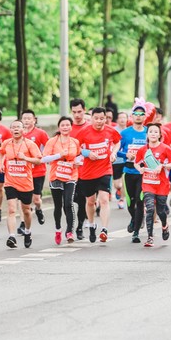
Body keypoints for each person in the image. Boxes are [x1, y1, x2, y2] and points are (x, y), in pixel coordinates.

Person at [74, 107, 121, 243]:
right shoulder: (84, 132)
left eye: (102, 118)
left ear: (106, 118)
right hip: (87, 172)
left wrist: (113, 153)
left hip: (105, 170)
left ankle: (104, 229)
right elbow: (76, 147)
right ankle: (91, 223)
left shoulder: (110, 131)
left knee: (104, 199)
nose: (99, 121)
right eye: (96, 118)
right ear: (92, 118)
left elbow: (118, 142)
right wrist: (87, 153)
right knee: (90, 201)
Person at [131, 123, 171, 247]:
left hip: (162, 184)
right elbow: (136, 163)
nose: (153, 134)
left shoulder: (165, 148)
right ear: (147, 134)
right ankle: (150, 237)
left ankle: (164, 225)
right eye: (151, 131)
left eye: (156, 132)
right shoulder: (143, 150)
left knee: (161, 211)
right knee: (150, 209)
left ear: (160, 135)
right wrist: (139, 169)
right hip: (147, 183)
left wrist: (162, 166)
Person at [0, 120, 43, 248]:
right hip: (10, 181)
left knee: (26, 211)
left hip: (25, 183)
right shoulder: (6, 143)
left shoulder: (30, 144)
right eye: (13, 127)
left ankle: (28, 231)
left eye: (18, 127)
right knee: (11, 209)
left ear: (23, 129)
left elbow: (38, 161)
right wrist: (1, 163)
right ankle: (12, 236)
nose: (16, 129)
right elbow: (1, 153)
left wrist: (25, 158)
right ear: (10, 130)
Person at [43, 116, 81, 243]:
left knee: (68, 203)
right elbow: (44, 159)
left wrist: (77, 162)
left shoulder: (75, 142)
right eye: (63, 125)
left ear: (71, 127)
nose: (65, 127)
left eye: (67, 125)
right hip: (56, 176)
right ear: (59, 127)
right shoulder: (52, 141)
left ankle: (70, 231)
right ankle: (58, 229)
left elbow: (79, 156)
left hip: (71, 175)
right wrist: (59, 155)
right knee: (58, 206)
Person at [118, 104, 148, 242]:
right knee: (130, 203)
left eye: (142, 114)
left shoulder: (149, 132)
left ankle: (135, 233)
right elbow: (115, 150)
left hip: (143, 173)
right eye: (136, 113)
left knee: (140, 200)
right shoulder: (125, 133)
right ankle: (134, 218)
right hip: (128, 171)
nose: (139, 116)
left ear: (145, 116)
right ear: (132, 116)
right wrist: (125, 155)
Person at [21, 109, 50, 227]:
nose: (27, 121)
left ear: (34, 120)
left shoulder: (40, 133)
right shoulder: (19, 134)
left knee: (36, 199)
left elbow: (48, 147)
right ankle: (23, 222)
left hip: (38, 171)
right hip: (23, 172)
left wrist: (46, 158)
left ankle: (38, 209)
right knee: (23, 200)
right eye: (24, 118)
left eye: (29, 118)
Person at [69, 99, 91, 239]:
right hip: (69, 172)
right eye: (74, 112)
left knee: (82, 201)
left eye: (79, 112)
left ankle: (79, 226)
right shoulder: (67, 128)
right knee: (69, 201)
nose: (77, 115)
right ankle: (69, 226)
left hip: (85, 171)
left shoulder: (89, 128)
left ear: (84, 110)